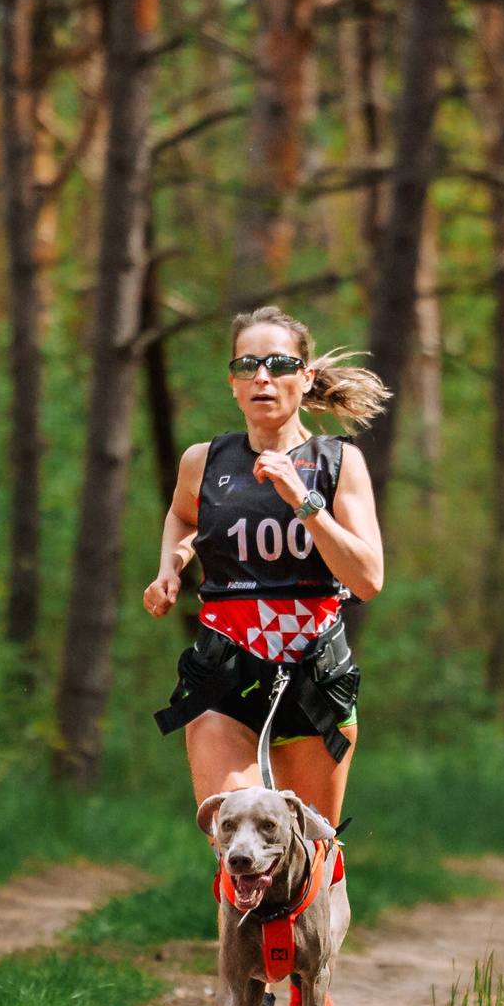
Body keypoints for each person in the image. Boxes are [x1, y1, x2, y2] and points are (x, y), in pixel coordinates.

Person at [146, 306, 389, 831]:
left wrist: (303, 501)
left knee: (304, 853)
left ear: (305, 378)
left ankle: (318, 902)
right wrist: (172, 565)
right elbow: (183, 516)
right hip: (225, 676)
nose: (262, 376)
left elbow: (368, 579)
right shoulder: (203, 461)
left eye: (279, 363)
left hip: (313, 679)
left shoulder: (337, 464)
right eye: (246, 365)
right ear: (232, 383)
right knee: (240, 843)